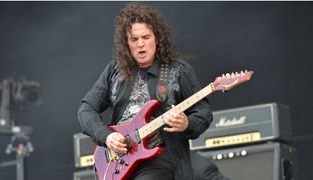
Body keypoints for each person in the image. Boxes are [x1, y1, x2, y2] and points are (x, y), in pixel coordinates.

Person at [78, 3, 227, 180]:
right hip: (119, 159)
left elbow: (203, 112)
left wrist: (187, 123)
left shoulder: (178, 71)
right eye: (134, 39)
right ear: (126, 43)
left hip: (160, 157)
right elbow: (86, 110)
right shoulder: (115, 71)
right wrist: (107, 137)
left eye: (146, 37)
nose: (140, 44)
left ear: (157, 38)